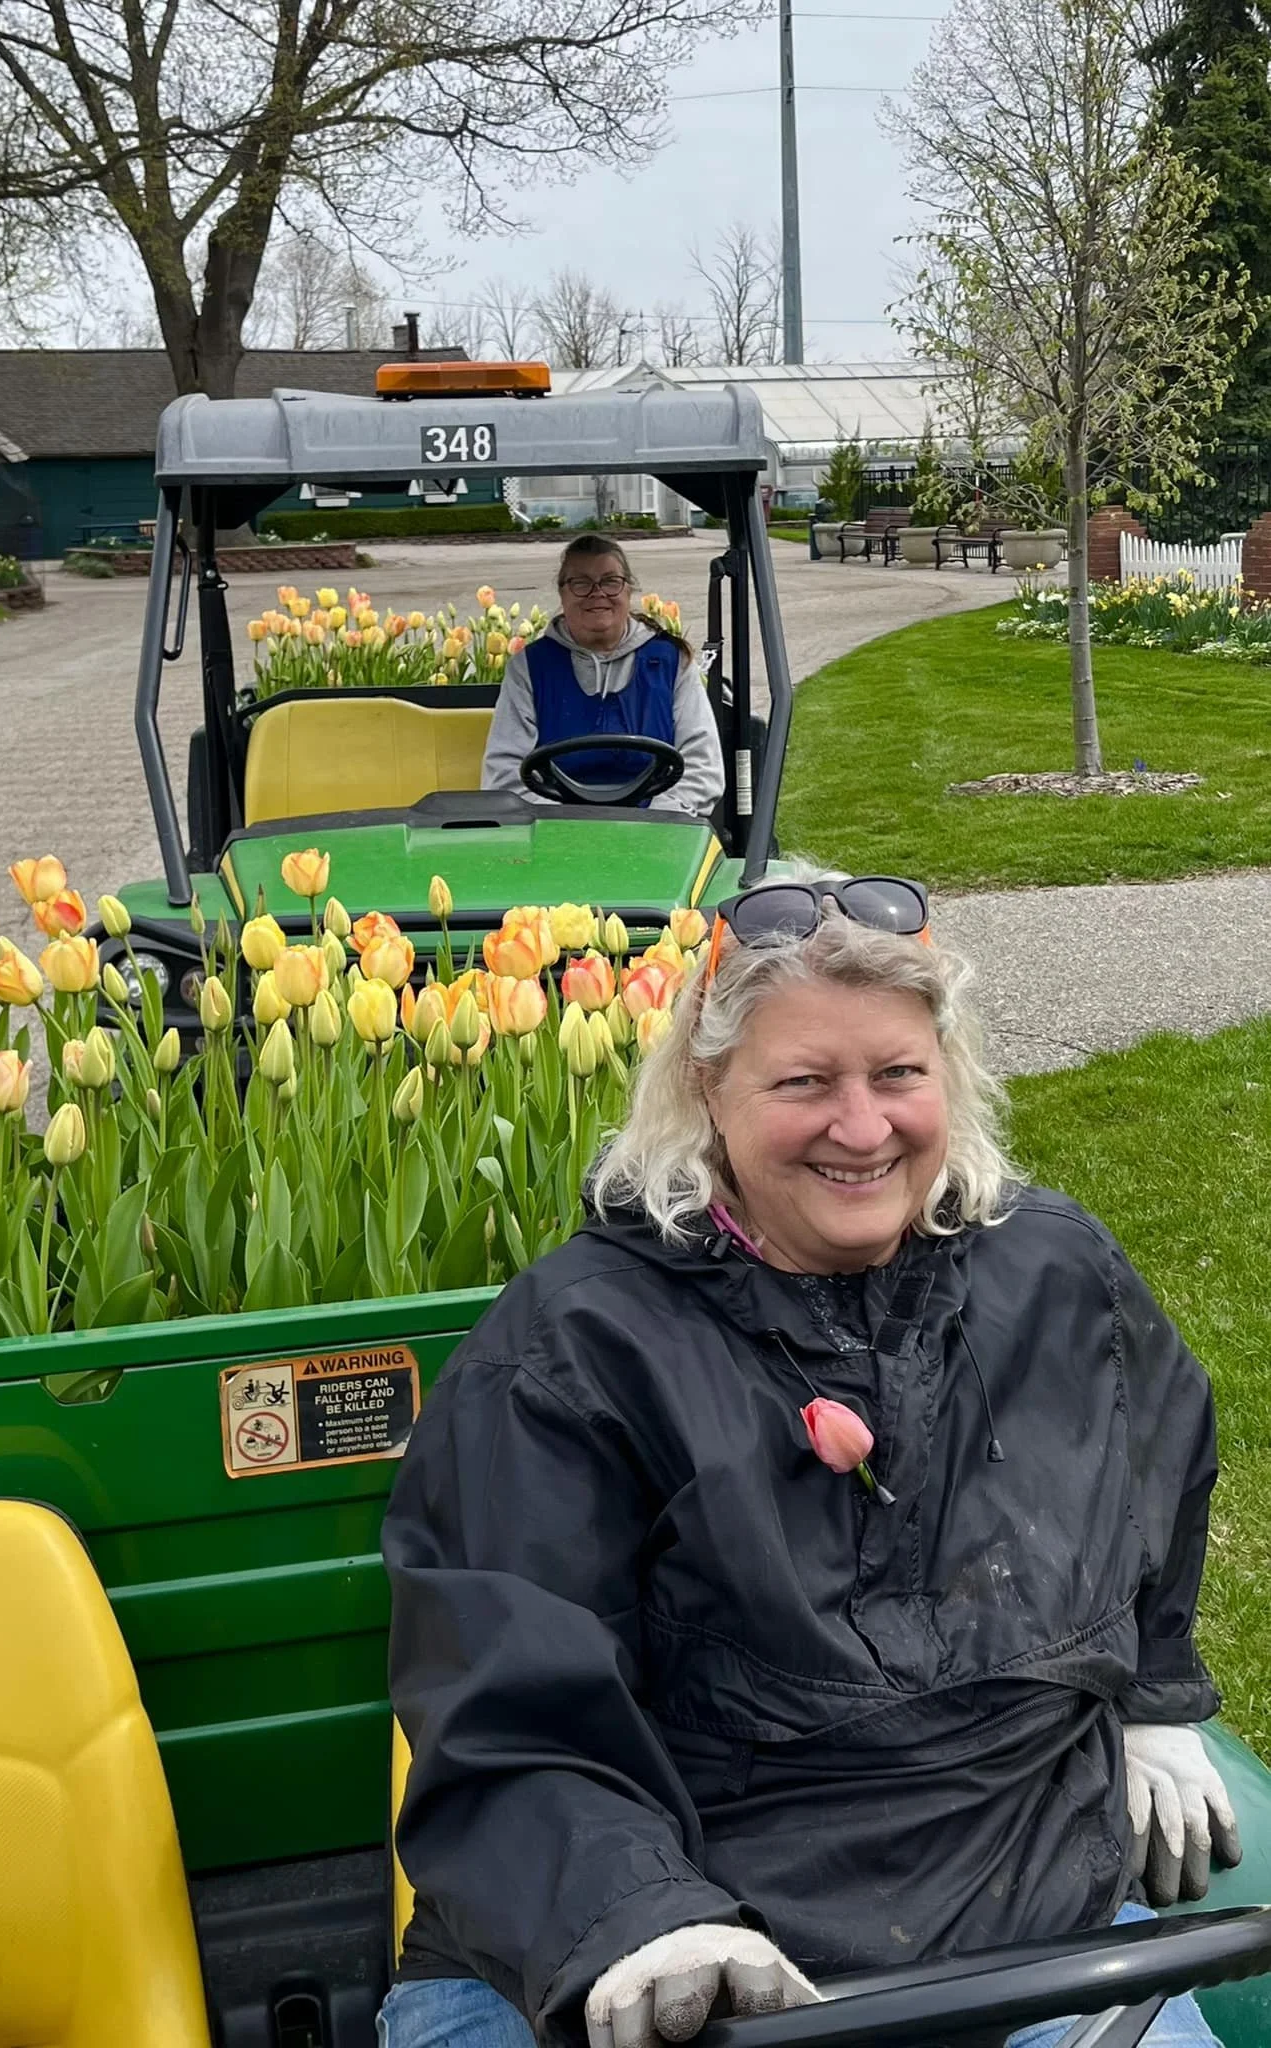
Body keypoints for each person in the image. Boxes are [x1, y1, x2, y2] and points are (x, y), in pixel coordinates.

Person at [380, 875, 1240, 2048]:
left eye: (897, 1074)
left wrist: (1153, 1694)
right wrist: (639, 1914)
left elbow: (1161, 1468)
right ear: (706, 1087)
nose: (861, 1125)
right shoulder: (573, 1350)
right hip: (683, 1959)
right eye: (803, 1082)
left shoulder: (1054, 1272)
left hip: (1030, 1940)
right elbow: (510, 1699)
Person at [481, 534, 724, 818]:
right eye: (581, 583)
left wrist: (653, 821)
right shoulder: (529, 667)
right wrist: (571, 826)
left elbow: (702, 768)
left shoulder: (671, 662)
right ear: (563, 593)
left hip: (655, 828)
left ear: (628, 590)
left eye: (610, 581)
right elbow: (504, 774)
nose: (598, 593)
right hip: (559, 830)